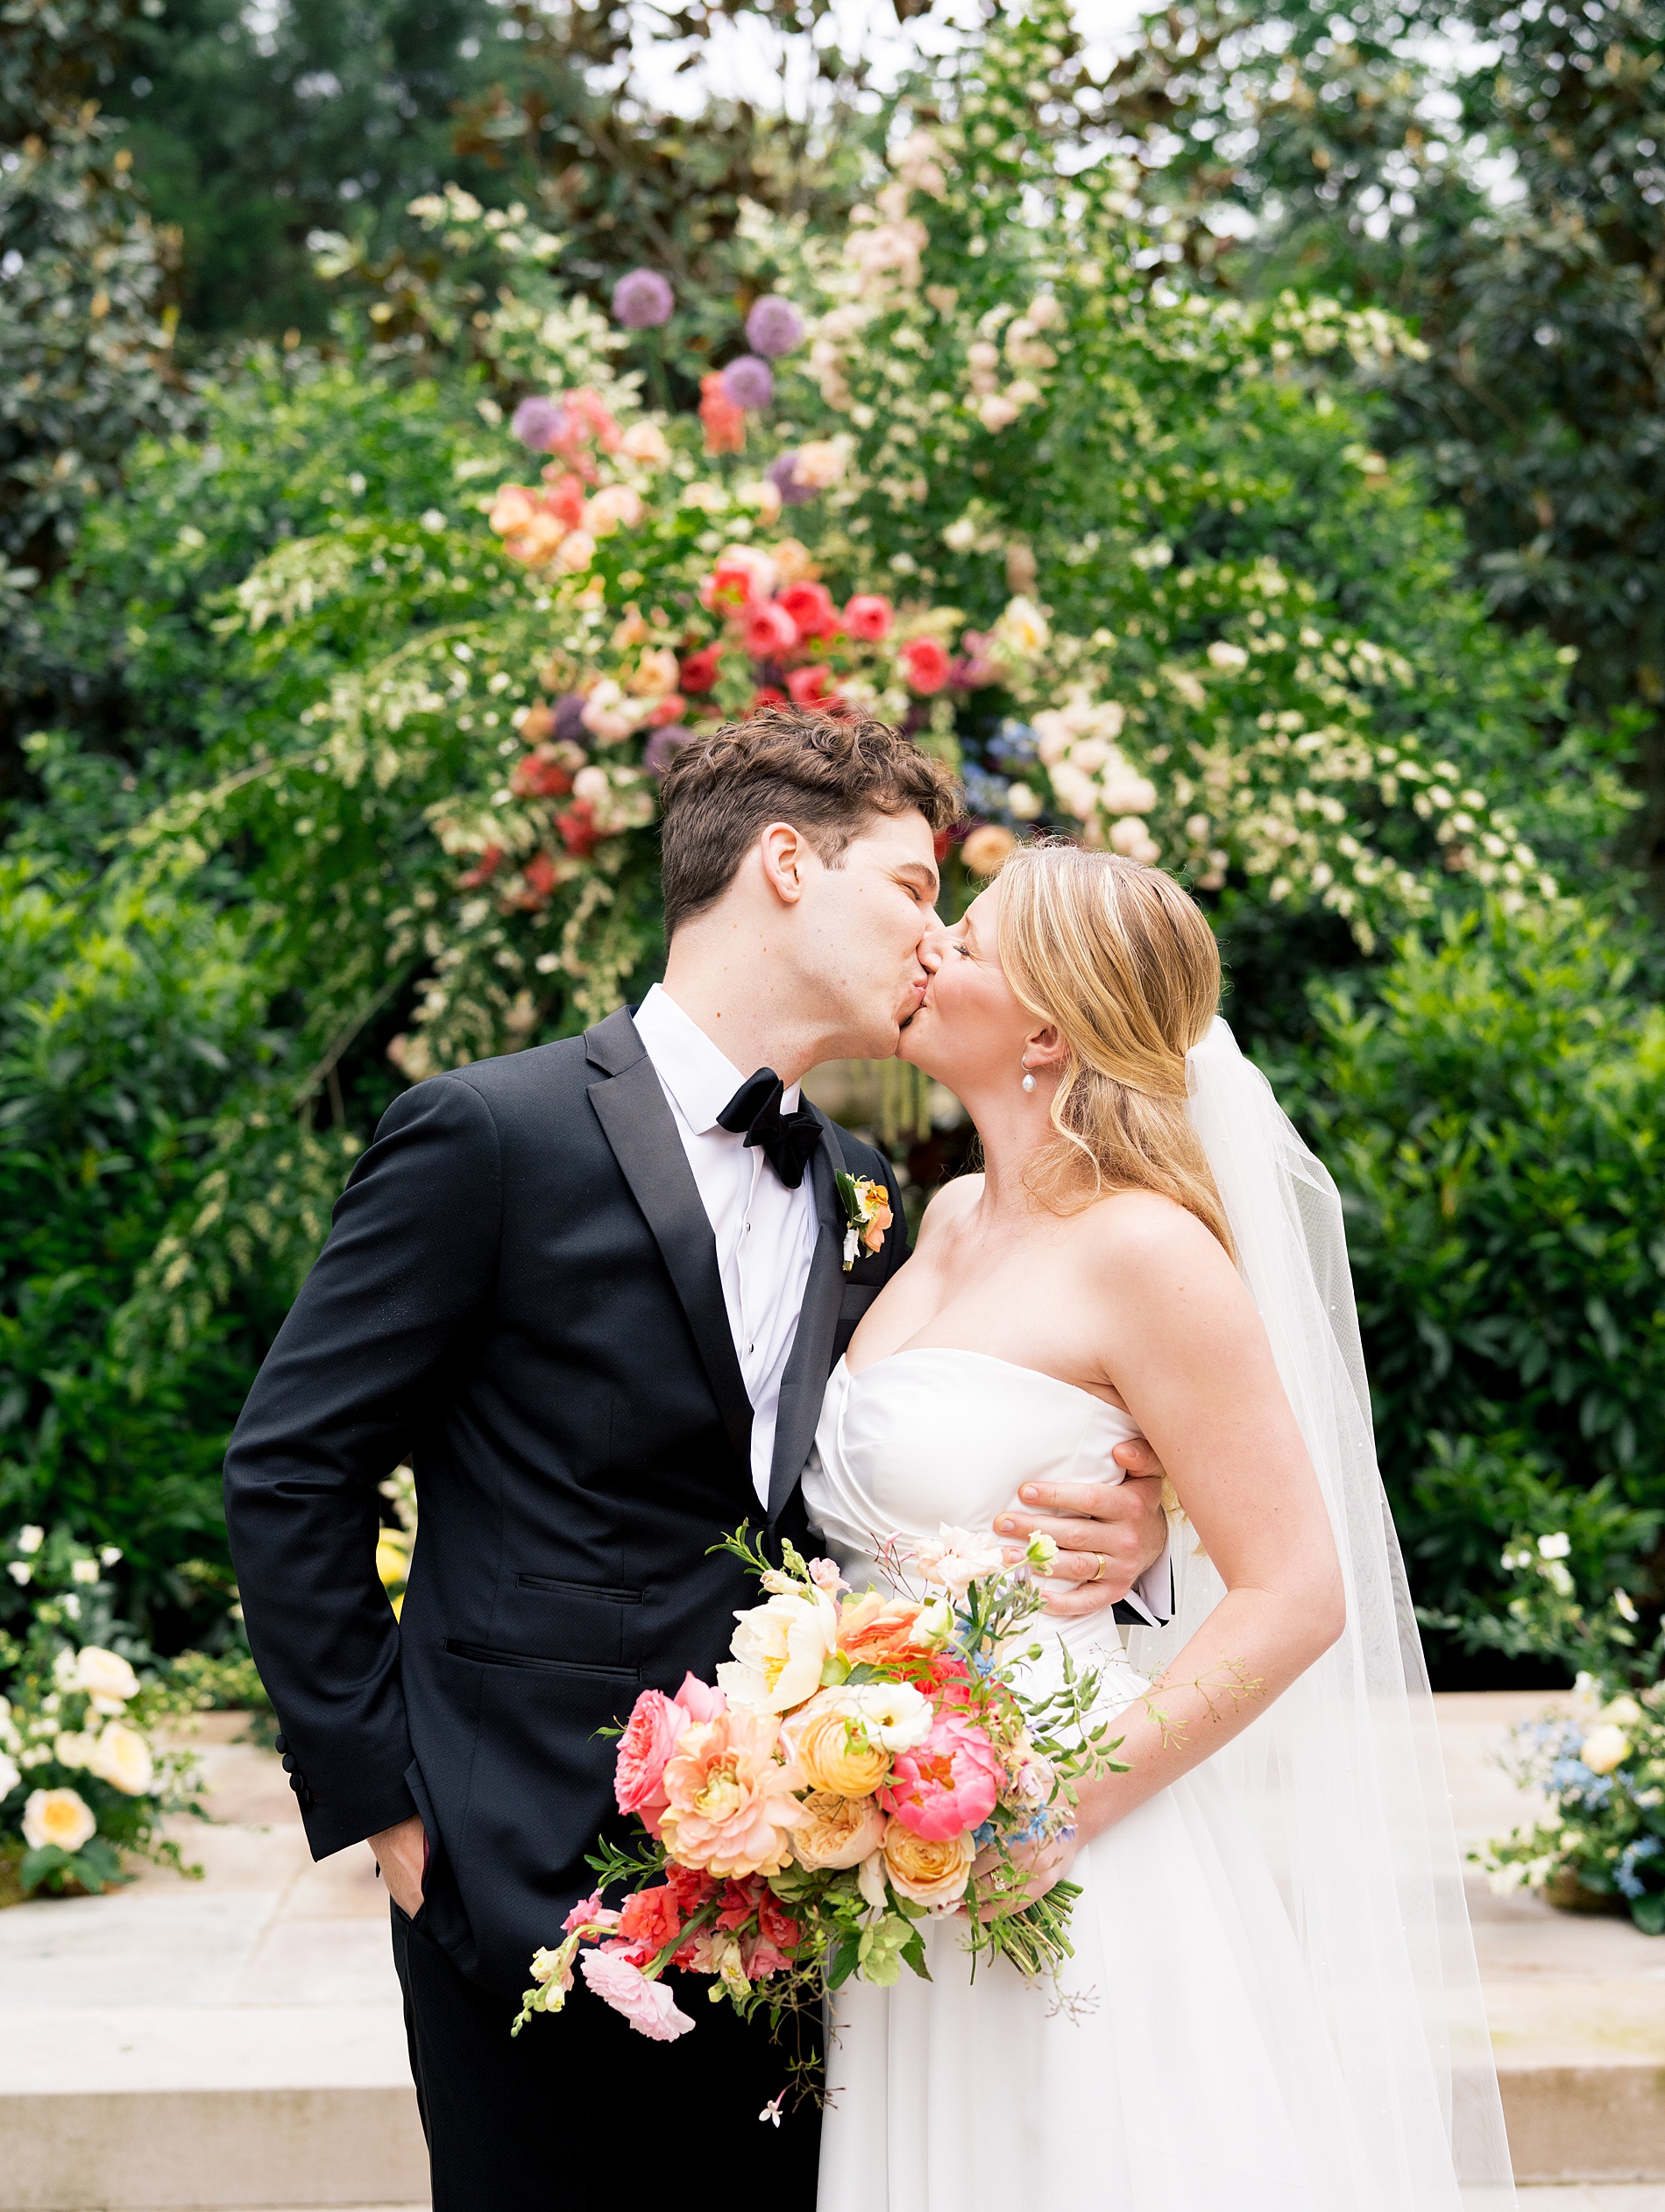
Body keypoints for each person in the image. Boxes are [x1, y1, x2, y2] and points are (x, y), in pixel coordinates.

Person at [222, 712, 1173, 2208]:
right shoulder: (488, 1133)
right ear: (787, 861)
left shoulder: (866, 1194)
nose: (936, 938)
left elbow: (921, 1448)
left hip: (806, 1890)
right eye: (918, 886)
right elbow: (290, 1468)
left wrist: (1136, 1505)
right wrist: (387, 1808)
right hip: (516, 1867)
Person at [805, 842, 1517, 2211]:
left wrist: (1054, 1809)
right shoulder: (942, 1215)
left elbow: (1300, 1588)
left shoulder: (1147, 1249)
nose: (934, 942)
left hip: (1062, 1838)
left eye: (976, 934)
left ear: (1051, 1024)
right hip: (884, 1825)